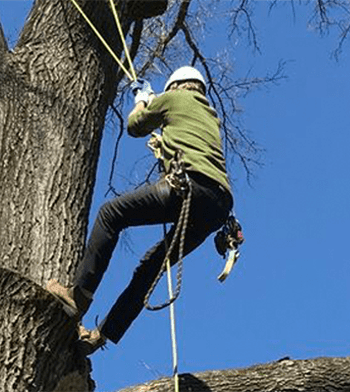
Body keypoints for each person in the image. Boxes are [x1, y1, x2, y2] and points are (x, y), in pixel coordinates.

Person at [47, 66, 234, 355]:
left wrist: (143, 99)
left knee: (111, 214)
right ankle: (101, 336)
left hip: (187, 187)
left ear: (176, 86)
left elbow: (135, 126)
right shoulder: (210, 116)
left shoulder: (173, 99)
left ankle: (78, 296)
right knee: (152, 267)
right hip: (217, 205)